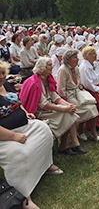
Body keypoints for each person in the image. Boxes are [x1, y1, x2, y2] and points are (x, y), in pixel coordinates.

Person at [0, 60, 62, 209]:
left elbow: (17, 102)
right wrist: (13, 136)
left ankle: (45, 165)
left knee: (45, 131)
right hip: (5, 136)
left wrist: (26, 112)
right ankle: (23, 195)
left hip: (24, 125)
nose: (1, 76)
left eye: (2, 73)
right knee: (19, 154)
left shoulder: (6, 85)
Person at [19, 58, 87, 156]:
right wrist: (65, 108)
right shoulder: (35, 83)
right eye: (50, 65)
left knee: (70, 113)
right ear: (42, 68)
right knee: (68, 115)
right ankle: (69, 145)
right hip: (38, 112)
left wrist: (68, 105)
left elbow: (55, 96)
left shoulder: (47, 78)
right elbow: (43, 105)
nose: (53, 66)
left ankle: (69, 144)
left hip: (49, 109)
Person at [56, 49, 99, 142]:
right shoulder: (62, 70)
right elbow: (60, 88)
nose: (78, 59)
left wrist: (81, 91)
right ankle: (80, 131)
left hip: (77, 92)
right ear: (68, 59)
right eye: (75, 57)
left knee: (92, 106)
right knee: (85, 108)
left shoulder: (76, 68)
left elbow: (79, 82)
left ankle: (93, 133)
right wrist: (65, 101)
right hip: (68, 96)